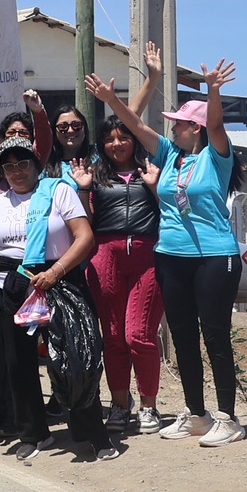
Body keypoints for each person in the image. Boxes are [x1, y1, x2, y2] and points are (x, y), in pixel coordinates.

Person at [87, 58, 247, 447]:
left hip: (214, 257)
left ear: (194, 128)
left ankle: (228, 418)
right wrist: (111, 100)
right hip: (171, 256)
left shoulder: (215, 156)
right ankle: (197, 414)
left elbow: (216, 126)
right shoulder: (169, 155)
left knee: (215, 335)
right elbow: (136, 126)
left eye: (178, 123)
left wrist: (212, 90)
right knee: (182, 335)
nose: (171, 127)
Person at [0, 139, 107, 461]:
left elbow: (84, 237)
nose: (17, 171)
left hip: (58, 280)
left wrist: (55, 271)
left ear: (36, 165)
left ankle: (92, 433)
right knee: (18, 364)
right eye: (9, 166)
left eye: (23, 163)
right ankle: (34, 433)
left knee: (73, 359)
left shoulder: (58, 191)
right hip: (11, 286)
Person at [86, 118, 165, 435]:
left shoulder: (153, 169)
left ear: (135, 140)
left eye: (123, 137)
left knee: (139, 336)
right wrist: (82, 187)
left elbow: (174, 211)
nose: (116, 144)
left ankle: (149, 407)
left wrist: (155, 186)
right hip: (106, 255)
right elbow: (85, 221)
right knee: (114, 337)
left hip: (148, 256)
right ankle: (119, 406)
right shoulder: (94, 175)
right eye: (109, 139)